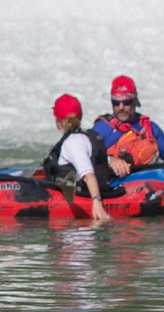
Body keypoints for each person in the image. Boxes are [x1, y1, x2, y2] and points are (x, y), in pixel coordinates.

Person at [33, 93, 116, 222]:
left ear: (58, 120)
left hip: (84, 198)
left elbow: (88, 174)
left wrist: (97, 202)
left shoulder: (72, 142)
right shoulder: (84, 137)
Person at [92, 76, 164, 180]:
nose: (121, 107)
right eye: (116, 103)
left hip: (149, 187)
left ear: (135, 101)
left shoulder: (150, 128)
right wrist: (109, 160)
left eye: (126, 102)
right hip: (115, 188)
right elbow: (82, 156)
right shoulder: (102, 128)